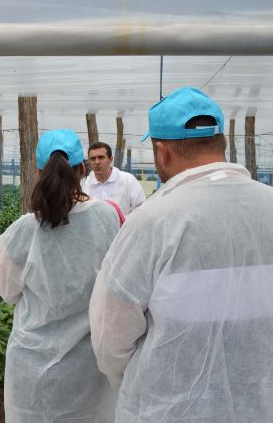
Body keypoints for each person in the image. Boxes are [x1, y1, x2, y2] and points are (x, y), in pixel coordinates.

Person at [89, 87, 273, 422]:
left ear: (162, 152)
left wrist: (132, 380)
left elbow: (110, 332)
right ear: (224, 144)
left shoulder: (152, 221)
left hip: (169, 407)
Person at [0, 129, 119, 422]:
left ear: (38, 172)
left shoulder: (25, 229)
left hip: (31, 365)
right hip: (88, 367)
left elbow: (7, 291)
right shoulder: (107, 219)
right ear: (82, 169)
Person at [81, 142, 145, 216]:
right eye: (93, 159)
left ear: (110, 159)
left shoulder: (127, 180)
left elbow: (140, 209)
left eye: (101, 157)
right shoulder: (84, 184)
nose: (97, 162)